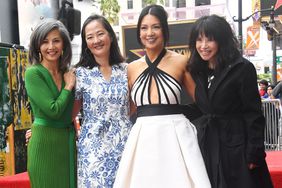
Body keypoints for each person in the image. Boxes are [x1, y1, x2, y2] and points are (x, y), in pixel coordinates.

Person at [114, 4, 211, 188]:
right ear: (139, 33)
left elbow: (201, 102)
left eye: (155, 27)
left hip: (176, 136)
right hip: (142, 137)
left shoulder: (181, 61)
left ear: (164, 30)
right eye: (144, 28)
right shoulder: (131, 68)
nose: (149, 33)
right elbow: (129, 109)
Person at [187, 14, 273, 188]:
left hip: (237, 146)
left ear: (222, 41)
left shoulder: (242, 68)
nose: (203, 46)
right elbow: (203, 108)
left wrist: (254, 152)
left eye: (209, 40)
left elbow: (253, 113)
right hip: (208, 146)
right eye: (199, 40)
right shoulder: (197, 71)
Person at [73, 14, 132, 187]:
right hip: (93, 149)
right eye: (90, 37)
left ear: (111, 36)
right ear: (86, 43)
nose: (96, 40)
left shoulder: (127, 70)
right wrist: (40, 127)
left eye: (100, 34)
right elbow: (71, 114)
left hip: (125, 144)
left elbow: (134, 108)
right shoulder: (80, 73)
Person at [25, 18, 76, 188]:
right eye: (45, 42)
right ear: (37, 46)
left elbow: (73, 110)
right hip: (43, 147)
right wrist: (68, 86)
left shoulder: (68, 72)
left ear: (64, 44)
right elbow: (53, 110)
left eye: (56, 41)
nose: (51, 47)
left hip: (66, 144)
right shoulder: (33, 73)